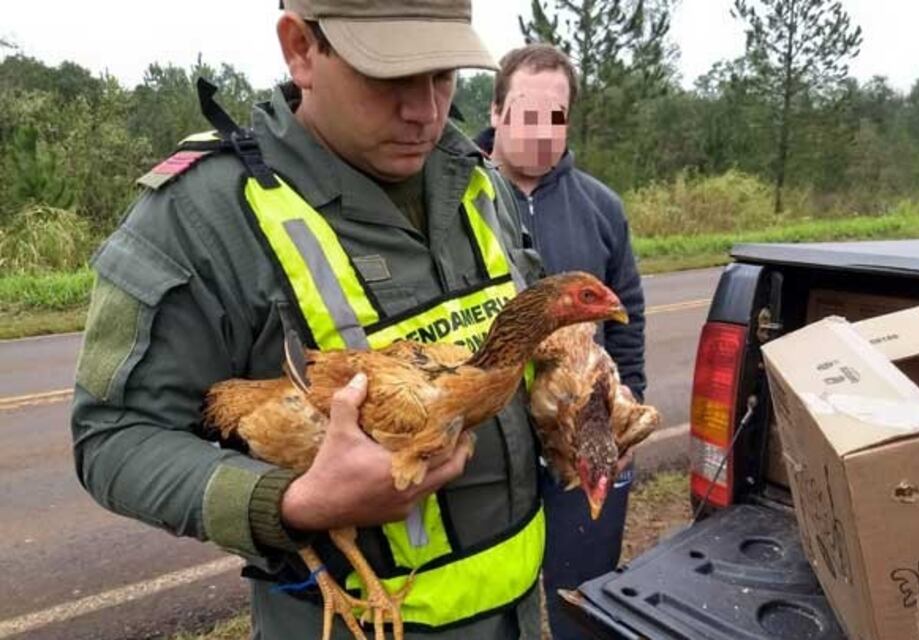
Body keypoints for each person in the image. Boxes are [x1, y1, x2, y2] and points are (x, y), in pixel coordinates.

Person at [71, 2, 546, 638]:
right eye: (389, 77)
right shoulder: (200, 219)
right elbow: (114, 436)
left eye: (442, 75)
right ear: (300, 49)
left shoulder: (480, 181)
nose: (425, 112)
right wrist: (292, 503)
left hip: (515, 614)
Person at [476, 43, 647, 639]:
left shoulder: (601, 207)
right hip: (491, 452)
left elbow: (631, 320)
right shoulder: (455, 203)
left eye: (557, 116)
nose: (543, 131)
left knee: (583, 597)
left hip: (581, 441)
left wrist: (623, 420)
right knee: (494, 605)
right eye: (526, 113)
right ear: (496, 112)